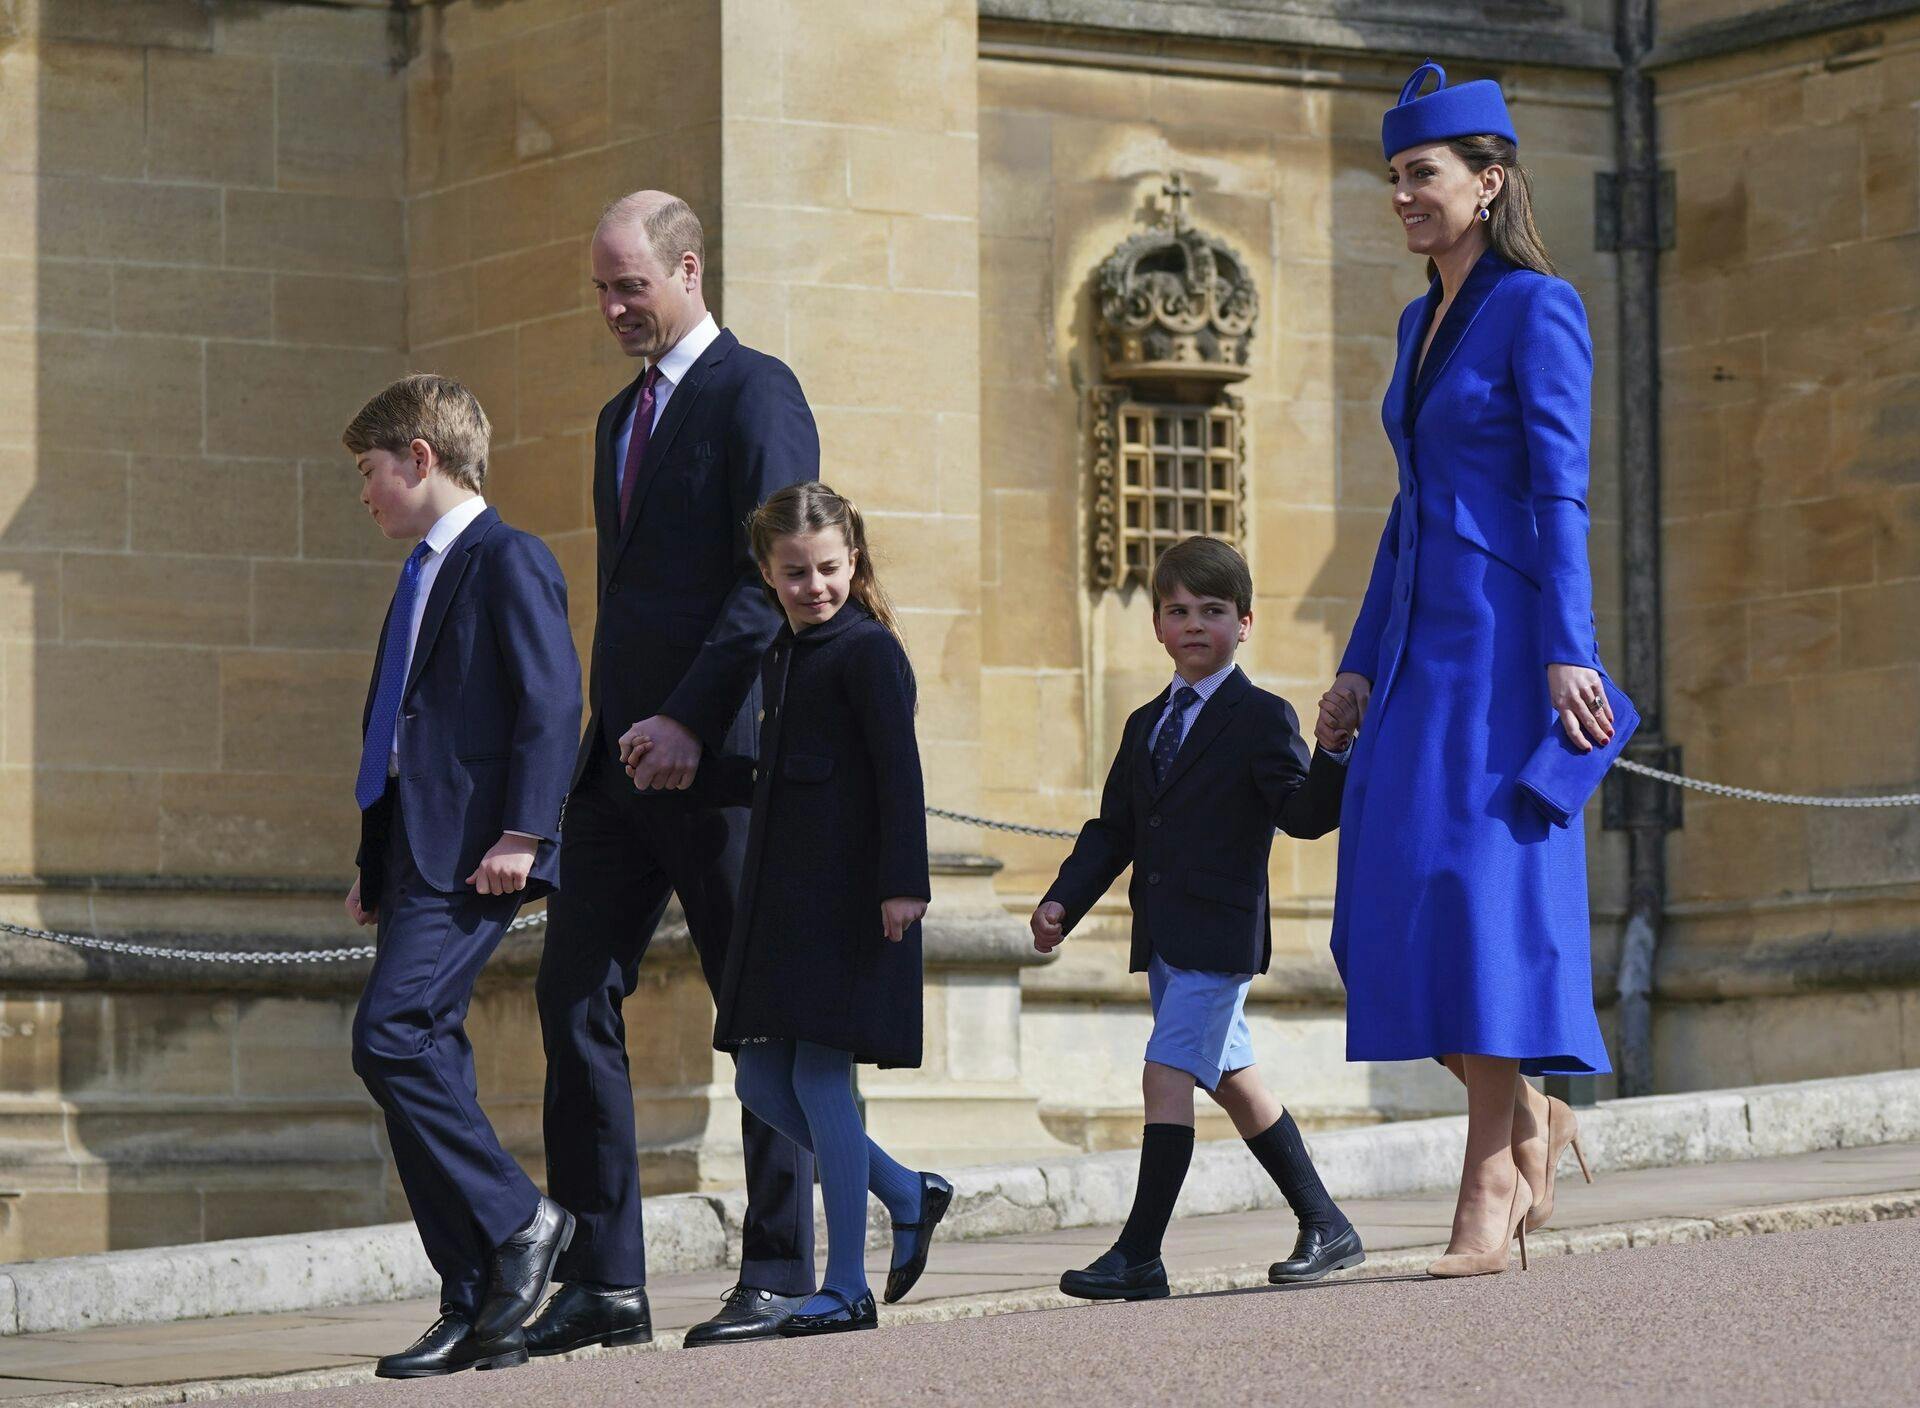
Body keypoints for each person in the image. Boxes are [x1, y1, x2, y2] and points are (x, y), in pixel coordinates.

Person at [1316, 61, 1610, 1281]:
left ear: (1487, 183)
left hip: (1505, 647)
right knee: (1383, 905)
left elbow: (1561, 492)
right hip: (1417, 650)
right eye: (1393, 177)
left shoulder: (1538, 308)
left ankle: (1489, 1174)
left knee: (1478, 901)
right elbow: (1408, 509)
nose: (1403, 196)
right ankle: (1536, 1109)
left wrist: (1568, 648)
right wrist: (1354, 667)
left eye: (1422, 175)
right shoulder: (1413, 321)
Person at [527, 191, 821, 1355]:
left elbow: (773, 575)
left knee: (758, 1013)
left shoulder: (759, 391)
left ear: (688, 269)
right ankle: (607, 1280)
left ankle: (784, 1270)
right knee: (568, 992)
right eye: (600, 289)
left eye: (629, 286)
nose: (612, 308)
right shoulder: (615, 420)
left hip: (726, 757)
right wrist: (615, 733)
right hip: (619, 765)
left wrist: (694, 717)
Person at [647, 480, 947, 1335]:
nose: (813, 586)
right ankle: (904, 1190)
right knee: (762, 1077)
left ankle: (846, 1284)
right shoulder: (781, 653)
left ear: (853, 561)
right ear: (767, 574)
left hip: (854, 897)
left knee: (820, 1076)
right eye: (794, 573)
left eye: (827, 568)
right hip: (786, 898)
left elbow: (899, 774)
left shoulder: (869, 651)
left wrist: (904, 885)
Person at [1030, 536, 1359, 1302]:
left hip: (1219, 939)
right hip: (1166, 941)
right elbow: (1114, 830)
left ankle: (1139, 1253)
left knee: (1165, 1073)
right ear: (1155, 625)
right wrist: (1061, 902)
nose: (1194, 625)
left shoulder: (1260, 716)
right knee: (1235, 1080)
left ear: (1244, 624)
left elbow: (1304, 816)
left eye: (1212, 611)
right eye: (1178, 611)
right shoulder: (1147, 723)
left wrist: (1333, 751)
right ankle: (1327, 1224)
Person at [341, 375, 582, 1377]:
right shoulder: (418, 573)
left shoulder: (508, 558)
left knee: (386, 1034)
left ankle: (523, 1218)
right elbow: (401, 724)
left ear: (420, 458)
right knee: (423, 1053)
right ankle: (474, 1294)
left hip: (478, 853)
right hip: (413, 854)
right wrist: (371, 859)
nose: (366, 495)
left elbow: (551, 699)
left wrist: (527, 831)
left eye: (370, 472)